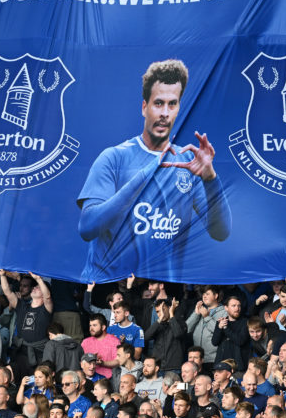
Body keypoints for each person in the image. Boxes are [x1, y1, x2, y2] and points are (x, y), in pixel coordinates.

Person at [77, 59, 231, 281]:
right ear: (144, 107)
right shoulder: (114, 157)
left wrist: (210, 178)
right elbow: (87, 227)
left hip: (162, 297)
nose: (165, 113)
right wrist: (143, 176)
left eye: (172, 104)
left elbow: (220, 233)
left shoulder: (187, 162)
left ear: (179, 108)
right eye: (158, 103)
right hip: (110, 291)